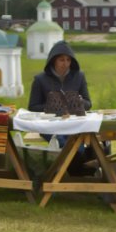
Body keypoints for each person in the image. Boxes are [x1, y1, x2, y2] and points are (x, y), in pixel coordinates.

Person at [27, 40, 95, 174]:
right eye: (61, 60)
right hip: (49, 125)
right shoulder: (40, 80)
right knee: (63, 140)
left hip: (74, 123)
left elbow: (88, 103)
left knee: (75, 138)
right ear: (53, 61)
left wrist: (80, 102)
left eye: (68, 60)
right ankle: (80, 168)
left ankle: (77, 169)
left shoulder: (79, 77)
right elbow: (32, 107)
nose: (65, 64)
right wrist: (52, 107)